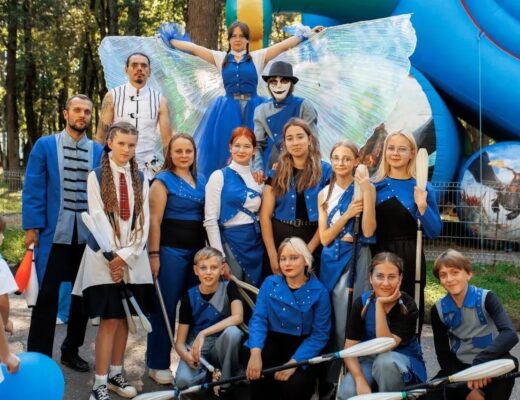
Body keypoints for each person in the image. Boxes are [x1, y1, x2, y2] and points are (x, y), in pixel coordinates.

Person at [159, 21, 323, 178]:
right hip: (226, 111)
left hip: (254, 107)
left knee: (256, 145)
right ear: (229, 39)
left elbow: (281, 46)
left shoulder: (257, 57)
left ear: (247, 40)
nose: (237, 39)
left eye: (242, 36)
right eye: (234, 36)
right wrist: (170, 41)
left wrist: (306, 35)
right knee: (225, 148)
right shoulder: (221, 58)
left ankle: (257, 181)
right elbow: (194, 49)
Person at [73, 121, 153, 400]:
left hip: (132, 259)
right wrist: (114, 257)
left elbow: (144, 222)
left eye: (132, 145)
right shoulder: (96, 177)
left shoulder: (141, 178)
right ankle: (99, 384)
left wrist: (126, 256)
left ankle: (117, 374)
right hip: (103, 259)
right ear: (109, 143)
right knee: (109, 320)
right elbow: (97, 219)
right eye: (121, 143)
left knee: (124, 320)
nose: (126, 149)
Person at [23, 94, 103, 370]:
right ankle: (39, 356)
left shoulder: (98, 151)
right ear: (65, 114)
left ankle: (71, 351)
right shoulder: (45, 145)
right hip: (53, 233)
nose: (82, 115)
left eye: (87, 111)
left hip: (87, 236)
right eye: (77, 110)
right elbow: (33, 188)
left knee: (81, 296)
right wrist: (32, 227)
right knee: (46, 295)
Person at [146, 134, 207, 385]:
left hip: (197, 254)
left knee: (194, 308)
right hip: (169, 252)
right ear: (169, 154)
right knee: (165, 308)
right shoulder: (162, 181)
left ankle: (192, 361)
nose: (183, 155)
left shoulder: (202, 180)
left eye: (188, 151)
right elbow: (154, 221)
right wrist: (154, 255)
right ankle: (157, 363)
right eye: (178, 151)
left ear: (194, 153)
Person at [372, 131, 441, 334]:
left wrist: (422, 206)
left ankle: (410, 349)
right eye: (391, 148)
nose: (395, 153)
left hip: (411, 257)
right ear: (384, 152)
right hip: (380, 254)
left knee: (409, 310)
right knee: (381, 310)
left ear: (412, 153)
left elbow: (435, 231)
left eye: (402, 149)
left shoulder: (423, 187)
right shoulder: (374, 186)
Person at [246, 237, 331, 400]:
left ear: (306, 261)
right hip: (271, 343)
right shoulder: (269, 283)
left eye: (294, 258)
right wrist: (255, 353)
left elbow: (320, 335)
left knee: (294, 387)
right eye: (283, 259)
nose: (287, 263)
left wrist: (294, 363)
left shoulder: (319, 291)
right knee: (258, 374)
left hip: (302, 349)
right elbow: (258, 319)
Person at [430, 249, 519, 400]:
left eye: (455, 272)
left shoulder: (487, 298)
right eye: (443, 275)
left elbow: (510, 334)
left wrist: (480, 364)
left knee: (510, 364)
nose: (449, 279)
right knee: (428, 395)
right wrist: (466, 389)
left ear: (468, 274)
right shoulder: (437, 310)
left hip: (490, 363)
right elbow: (443, 355)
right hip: (460, 369)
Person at [337, 252, 426, 400]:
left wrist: (379, 305)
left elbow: (385, 346)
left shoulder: (408, 305)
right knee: (348, 392)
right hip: (369, 359)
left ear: (400, 278)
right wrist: (360, 380)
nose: (385, 283)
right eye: (379, 276)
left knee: (384, 362)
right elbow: (349, 349)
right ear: (370, 278)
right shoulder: (361, 303)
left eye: (391, 277)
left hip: (401, 360)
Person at [318, 141, 376, 351]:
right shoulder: (324, 194)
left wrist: (366, 192)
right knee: (330, 314)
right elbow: (324, 238)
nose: (340, 163)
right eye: (336, 158)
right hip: (331, 257)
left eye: (346, 159)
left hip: (357, 255)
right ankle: (330, 366)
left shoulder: (365, 188)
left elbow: (368, 231)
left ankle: (350, 363)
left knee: (350, 314)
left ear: (356, 161)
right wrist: (348, 214)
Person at [259, 118, 331, 276]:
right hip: (279, 237)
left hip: (312, 237)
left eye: (300, 137)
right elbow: (265, 216)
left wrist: (308, 251)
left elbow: (327, 216)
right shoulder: (276, 172)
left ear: (309, 139)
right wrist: (272, 254)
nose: (295, 142)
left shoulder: (326, 171)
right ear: (285, 143)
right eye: (289, 138)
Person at [174, 247, 244, 397]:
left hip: (222, 346)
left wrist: (203, 333)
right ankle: (207, 376)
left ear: (222, 269)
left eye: (214, 267)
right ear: (196, 270)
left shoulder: (229, 286)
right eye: (203, 268)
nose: (208, 272)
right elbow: (179, 343)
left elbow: (238, 317)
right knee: (183, 382)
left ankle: (225, 383)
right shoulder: (188, 297)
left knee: (233, 333)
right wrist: (187, 356)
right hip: (199, 351)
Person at [96, 52, 172, 180]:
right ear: (126, 69)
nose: (139, 68)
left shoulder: (160, 100)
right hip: (116, 166)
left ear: (149, 71)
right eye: (134, 65)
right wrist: (100, 167)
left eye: (144, 65)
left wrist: (170, 171)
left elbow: (167, 141)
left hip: (148, 168)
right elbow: (100, 137)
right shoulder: (112, 96)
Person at [204, 127, 264, 287]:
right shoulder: (218, 176)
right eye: (237, 145)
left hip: (256, 243)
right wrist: (220, 258)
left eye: (247, 146)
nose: (241, 150)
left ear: (254, 150)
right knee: (234, 291)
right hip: (230, 244)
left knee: (255, 293)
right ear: (230, 147)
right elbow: (210, 220)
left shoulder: (258, 179)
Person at [253, 60, 318, 176]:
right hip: (274, 166)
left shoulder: (304, 106)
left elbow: (313, 141)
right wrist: (258, 168)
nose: (278, 86)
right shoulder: (261, 110)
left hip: (303, 165)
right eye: (273, 81)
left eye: (283, 81)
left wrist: (310, 168)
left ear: (291, 84)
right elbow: (258, 144)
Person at [0, 216, 17, 336]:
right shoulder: (0, 265)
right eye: (1, 232)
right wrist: (5, 322)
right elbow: (2, 301)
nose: (3, 236)